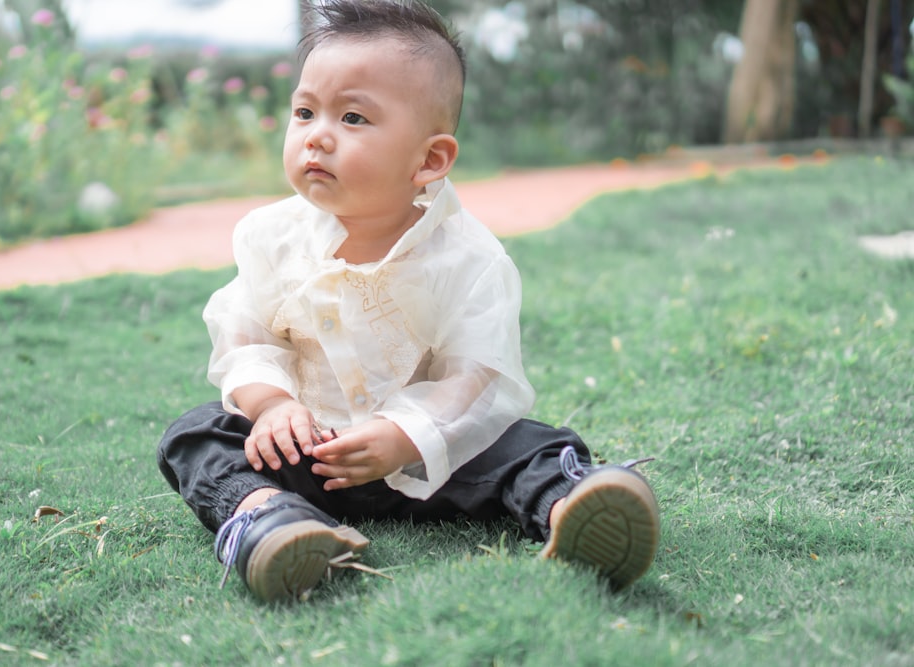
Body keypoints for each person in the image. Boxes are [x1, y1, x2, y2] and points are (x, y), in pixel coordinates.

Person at [157, 0, 660, 603]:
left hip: (435, 463)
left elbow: (476, 374)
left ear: (429, 160)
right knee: (194, 434)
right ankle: (269, 518)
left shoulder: (466, 258)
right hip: (311, 458)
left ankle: (573, 506)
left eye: (352, 118)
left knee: (529, 443)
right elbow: (245, 333)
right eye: (304, 111)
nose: (317, 135)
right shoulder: (271, 238)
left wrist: (406, 434)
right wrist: (271, 408)